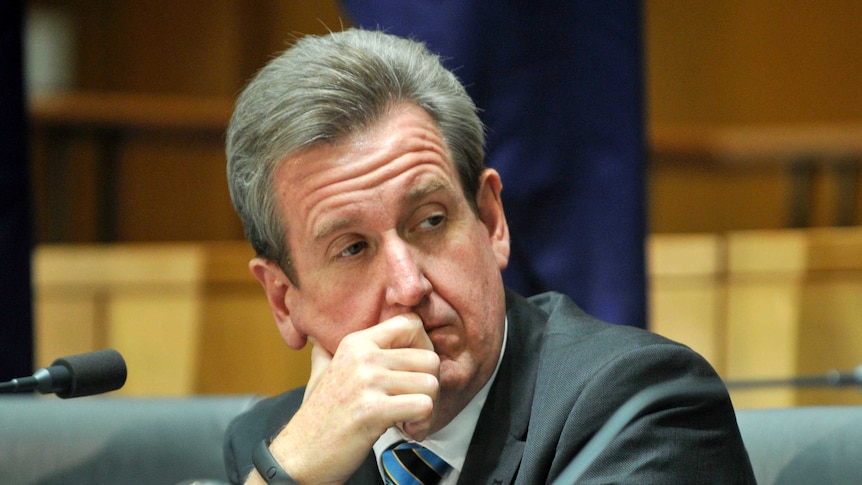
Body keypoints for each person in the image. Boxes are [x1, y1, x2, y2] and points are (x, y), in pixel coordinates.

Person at [223, 28, 755, 484]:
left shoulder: (637, 406)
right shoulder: (278, 448)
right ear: (284, 301)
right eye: (353, 248)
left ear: (492, 221)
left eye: (431, 221)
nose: (409, 286)